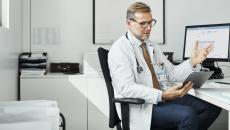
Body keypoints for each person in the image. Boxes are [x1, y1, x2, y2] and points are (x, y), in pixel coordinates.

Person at [108, 2, 221, 130]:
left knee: (211, 108)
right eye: (143, 23)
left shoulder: (152, 46)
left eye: (151, 22)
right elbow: (126, 88)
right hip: (142, 106)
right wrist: (161, 95)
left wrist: (193, 61)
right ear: (129, 23)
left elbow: (172, 74)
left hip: (163, 97)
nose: (149, 27)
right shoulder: (119, 49)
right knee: (188, 116)